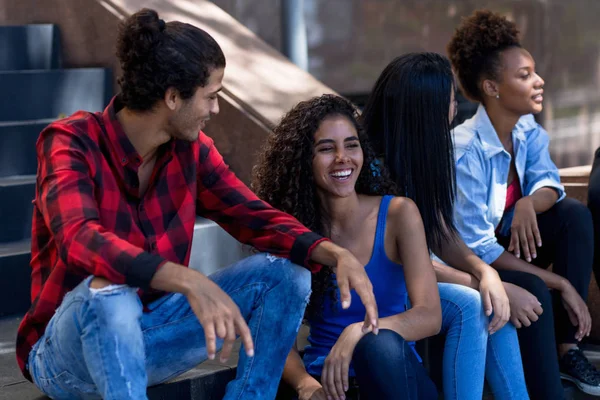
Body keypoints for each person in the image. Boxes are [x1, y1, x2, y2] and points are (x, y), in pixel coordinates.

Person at [17, 9, 380, 400]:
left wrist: (333, 253)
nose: (215, 109)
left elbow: (251, 215)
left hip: (150, 337)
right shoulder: (71, 141)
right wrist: (186, 279)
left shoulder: (191, 152)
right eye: (211, 96)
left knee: (287, 275)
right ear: (173, 97)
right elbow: (80, 240)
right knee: (111, 293)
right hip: (66, 358)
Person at [252, 94, 528, 400]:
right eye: (326, 149)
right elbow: (275, 338)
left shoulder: (398, 214)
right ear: (304, 160)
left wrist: (358, 332)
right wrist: (305, 384)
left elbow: (429, 315)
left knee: (377, 343)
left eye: (351, 145)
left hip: (398, 378)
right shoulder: (294, 234)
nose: (343, 157)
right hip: (329, 384)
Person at [447, 9, 598, 397]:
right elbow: (476, 247)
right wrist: (560, 282)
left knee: (573, 217)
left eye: (534, 71)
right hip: (470, 261)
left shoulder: (526, 128)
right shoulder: (467, 150)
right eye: (524, 75)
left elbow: (551, 184)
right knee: (532, 285)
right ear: (492, 87)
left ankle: (568, 348)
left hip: (513, 242)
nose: (538, 81)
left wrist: (530, 202)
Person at [360, 52, 528, 400]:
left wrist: (487, 274)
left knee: (491, 301)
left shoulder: (421, 153)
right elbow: (407, 259)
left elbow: (440, 231)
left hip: (417, 279)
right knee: (475, 305)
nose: (457, 107)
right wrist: (477, 282)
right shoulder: (371, 167)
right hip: (383, 287)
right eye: (451, 99)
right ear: (428, 109)